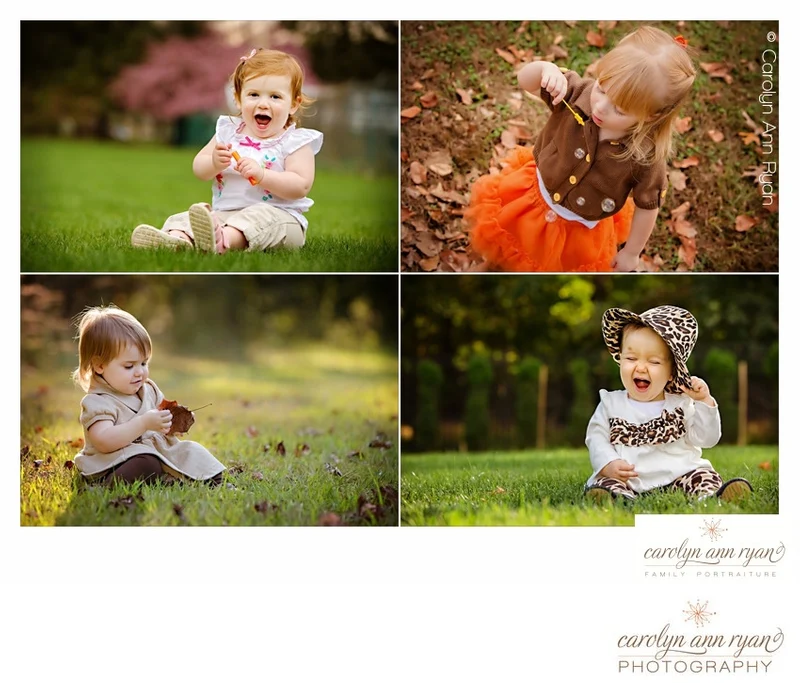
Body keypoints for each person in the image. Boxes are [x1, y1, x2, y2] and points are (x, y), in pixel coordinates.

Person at [466, 26, 695, 272]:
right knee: (507, 245)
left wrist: (631, 252)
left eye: (619, 109)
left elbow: (647, 207)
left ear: (651, 116)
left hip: (579, 231)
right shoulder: (576, 92)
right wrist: (544, 69)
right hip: (531, 199)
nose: (600, 107)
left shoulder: (645, 158)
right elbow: (525, 81)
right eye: (601, 88)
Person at [131, 48, 323, 254]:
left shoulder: (294, 141)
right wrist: (214, 163)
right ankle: (178, 239)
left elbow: (300, 186)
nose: (263, 103)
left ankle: (223, 242)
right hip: (226, 215)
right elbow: (199, 169)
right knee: (188, 217)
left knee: (259, 219)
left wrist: (262, 175)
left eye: (275, 97)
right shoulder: (229, 131)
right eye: (253, 94)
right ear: (239, 99)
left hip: (281, 219)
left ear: (294, 104)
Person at [584, 305, 753, 503]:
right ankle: (615, 497)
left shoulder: (681, 404)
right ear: (620, 359)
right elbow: (596, 437)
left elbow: (707, 439)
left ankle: (712, 497)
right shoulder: (610, 403)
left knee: (702, 477)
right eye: (631, 358)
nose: (640, 367)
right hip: (628, 479)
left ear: (672, 372)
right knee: (607, 482)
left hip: (680, 473)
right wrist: (608, 463)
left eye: (654, 362)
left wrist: (703, 402)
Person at [72, 305, 226, 486]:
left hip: (155, 450)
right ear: (99, 366)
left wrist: (173, 422)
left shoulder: (149, 389)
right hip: (113, 461)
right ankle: (104, 484)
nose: (139, 372)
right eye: (129, 366)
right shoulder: (97, 402)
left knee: (192, 452)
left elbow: (161, 417)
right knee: (145, 463)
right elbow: (104, 441)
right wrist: (143, 423)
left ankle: (207, 479)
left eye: (144, 363)